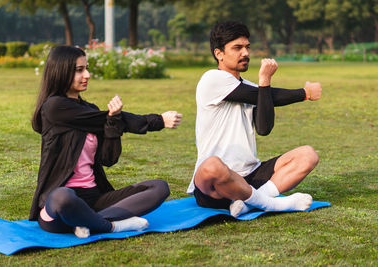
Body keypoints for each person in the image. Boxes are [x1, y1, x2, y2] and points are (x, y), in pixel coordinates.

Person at [29, 46, 182, 238]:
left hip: (95, 199)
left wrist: (113, 120)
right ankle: (112, 226)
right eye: (79, 70)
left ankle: (89, 221)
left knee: (159, 187)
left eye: (86, 68)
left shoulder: (89, 110)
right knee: (63, 196)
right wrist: (158, 120)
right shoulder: (54, 107)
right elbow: (102, 118)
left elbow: (108, 159)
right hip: (60, 205)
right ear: (60, 71)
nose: (88, 74)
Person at [187, 21, 322, 217]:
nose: (245, 53)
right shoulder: (212, 79)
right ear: (219, 54)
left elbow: (264, 128)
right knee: (212, 165)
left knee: (308, 155)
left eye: (247, 47)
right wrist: (305, 93)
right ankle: (269, 203)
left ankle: (249, 203)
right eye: (237, 48)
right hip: (217, 184)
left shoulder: (251, 88)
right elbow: (262, 96)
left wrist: (264, 85)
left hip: (251, 175)